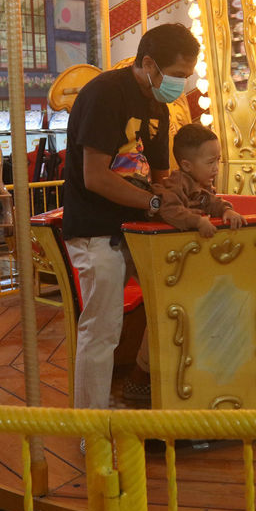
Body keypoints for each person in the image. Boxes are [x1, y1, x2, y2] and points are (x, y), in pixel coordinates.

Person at [61, 23, 199, 412]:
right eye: (176, 76)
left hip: (138, 228)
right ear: (149, 63)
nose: (181, 85)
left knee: (177, 298)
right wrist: (154, 206)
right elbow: (96, 176)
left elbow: (160, 177)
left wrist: (188, 196)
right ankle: (90, 422)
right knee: (102, 329)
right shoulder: (106, 94)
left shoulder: (157, 105)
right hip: (96, 229)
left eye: (186, 77)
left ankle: (145, 381)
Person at [156, 124, 245, 237]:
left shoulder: (201, 182)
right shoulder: (177, 184)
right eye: (210, 162)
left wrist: (226, 210)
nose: (216, 168)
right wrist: (197, 221)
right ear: (187, 166)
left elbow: (212, 202)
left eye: (218, 160)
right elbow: (169, 209)